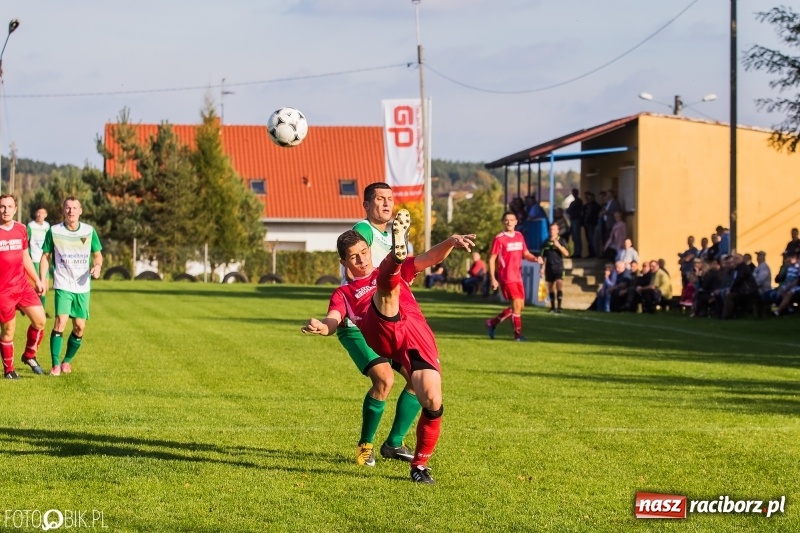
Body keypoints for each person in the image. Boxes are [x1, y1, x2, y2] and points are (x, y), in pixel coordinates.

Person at [303, 209, 475, 484]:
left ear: (369, 250)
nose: (360, 259)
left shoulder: (398, 267)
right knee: (386, 293)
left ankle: (418, 467)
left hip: (413, 335)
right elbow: (334, 318)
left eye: (363, 252)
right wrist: (324, 327)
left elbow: (429, 258)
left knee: (432, 400)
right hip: (379, 329)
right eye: (353, 257)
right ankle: (395, 259)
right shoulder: (344, 293)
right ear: (343, 262)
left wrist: (451, 242)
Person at [337, 182, 420, 467]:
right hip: (358, 320)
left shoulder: (398, 238)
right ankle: (365, 446)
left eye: (389, 199)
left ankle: (394, 443)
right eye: (379, 199)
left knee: (419, 378)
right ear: (367, 205)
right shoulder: (363, 230)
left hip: (388, 320)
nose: (386, 204)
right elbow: (355, 259)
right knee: (384, 380)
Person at [39, 196, 103, 376]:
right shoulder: (54, 231)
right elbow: (46, 256)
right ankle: (55, 364)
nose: (71, 211)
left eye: (75, 208)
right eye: (68, 208)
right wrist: (42, 279)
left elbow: (97, 255)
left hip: (82, 286)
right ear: (63, 210)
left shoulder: (89, 231)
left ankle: (67, 361)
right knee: (61, 320)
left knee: (79, 327)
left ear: (80, 211)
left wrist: (97, 266)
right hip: (62, 282)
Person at [0, 195, 47, 379]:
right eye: (2, 207)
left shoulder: (21, 229)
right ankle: (9, 370)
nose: (5, 210)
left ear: (15, 209)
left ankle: (29, 355)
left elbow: (25, 257)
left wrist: (37, 280)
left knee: (40, 321)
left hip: (22, 285)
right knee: (9, 330)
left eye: (9, 206)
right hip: (3, 291)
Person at [486, 211, 544, 341]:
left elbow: (526, 254)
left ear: (516, 222)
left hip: (518, 276)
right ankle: (518, 336)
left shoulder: (519, 236)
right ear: (503, 222)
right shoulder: (499, 238)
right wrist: (493, 278)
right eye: (506, 220)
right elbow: (492, 259)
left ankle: (492, 323)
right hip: (506, 276)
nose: (509, 222)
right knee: (517, 306)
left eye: (512, 220)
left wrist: (535, 259)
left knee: (519, 307)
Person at [541, 223, 570, 313]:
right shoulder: (545, 242)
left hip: (559, 267)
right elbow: (543, 257)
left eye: (554, 229)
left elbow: (566, 254)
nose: (552, 231)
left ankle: (560, 307)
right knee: (550, 288)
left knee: (559, 285)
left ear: (558, 231)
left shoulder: (561, 241)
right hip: (549, 268)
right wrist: (542, 268)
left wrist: (559, 246)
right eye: (550, 229)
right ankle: (553, 307)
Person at [27, 206, 51, 309]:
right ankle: (40, 310)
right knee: (39, 286)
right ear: (36, 214)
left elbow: (49, 242)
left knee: (46, 286)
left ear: (46, 215)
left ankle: (38, 308)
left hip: (44, 259)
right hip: (35, 259)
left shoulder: (47, 226)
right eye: (38, 212)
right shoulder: (31, 226)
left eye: (42, 213)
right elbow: (26, 242)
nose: (40, 214)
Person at [565, 188, 583, 259]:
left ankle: (578, 253)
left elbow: (569, 210)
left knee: (577, 237)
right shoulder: (575, 202)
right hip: (573, 220)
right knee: (574, 238)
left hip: (576, 220)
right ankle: (576, 252)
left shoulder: (578, 201)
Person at [582, 191, 600, 258]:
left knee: (592, 239)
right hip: (587, 224)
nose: (588, 198)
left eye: (589, 197)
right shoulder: (586, 206)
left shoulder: (595, 206)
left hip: (592, 224)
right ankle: (590, 253)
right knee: (588, 239)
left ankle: (594, 253)